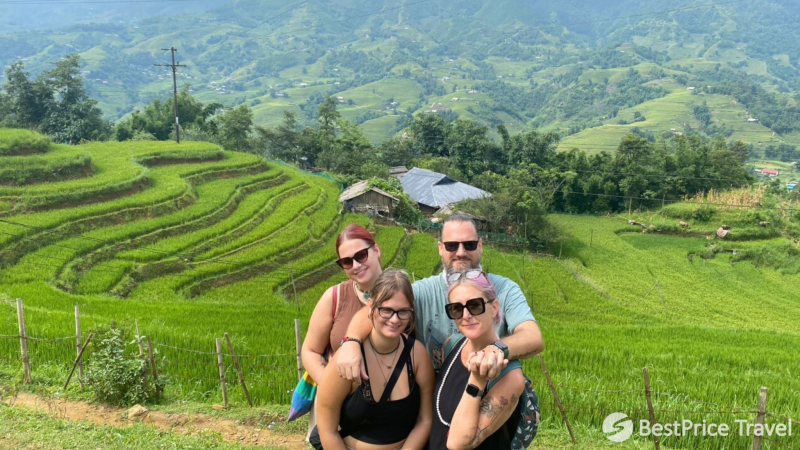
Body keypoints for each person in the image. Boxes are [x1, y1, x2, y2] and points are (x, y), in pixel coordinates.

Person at [336, 214, 544, 381]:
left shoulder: (505, 289)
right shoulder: (422, 291)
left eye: (469, 245)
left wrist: (496, 349)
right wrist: (351, 341)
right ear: (440, 248)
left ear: (480, 246)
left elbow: (533, 337)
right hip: (436, 398)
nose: (460, 252)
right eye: (452, 245)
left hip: (491, 393)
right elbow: (375, 311)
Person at [312, 270, 434, 450]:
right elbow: (327, 428)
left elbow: (425, 419)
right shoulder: (348, 359)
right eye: (386, 310)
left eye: (403, 312)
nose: (394, 319)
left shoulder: (417, 355)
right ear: (371, 306)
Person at [429, 270, 525, 449]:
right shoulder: (452, 345)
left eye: (475, 305)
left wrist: (477, 380)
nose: (465, 315)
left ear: (494, 307)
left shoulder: (510, 376)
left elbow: (458, 443)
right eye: (457, 309)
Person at [301, 223, 383, 387]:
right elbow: (310, 351)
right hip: (342, 400)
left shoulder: (402, 294)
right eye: (347, 262)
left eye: (361, 255)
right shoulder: (334, 297)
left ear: (376, 250)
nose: (356, 266)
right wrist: (329, 388)